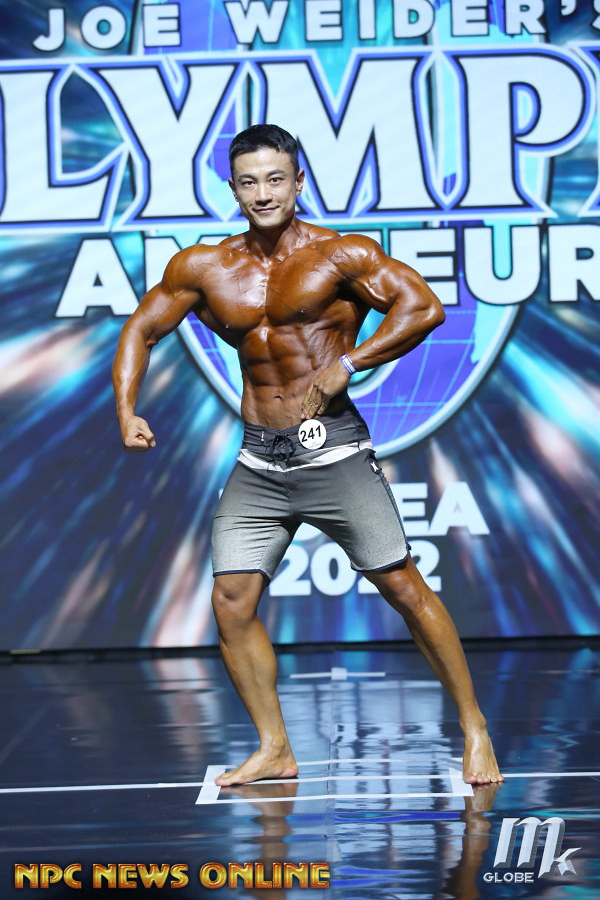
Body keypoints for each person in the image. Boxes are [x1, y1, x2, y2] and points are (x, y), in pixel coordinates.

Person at [112, 124, 504, 787]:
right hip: (260, 460)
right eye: (249, 182)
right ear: (233, 189)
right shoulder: (204, 267)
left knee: (403, 587)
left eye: (275, 179)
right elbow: (141, 329)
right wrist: (126, 410)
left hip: (335, 452)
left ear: (298, 182)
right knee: (231, 600)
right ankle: (274, 748)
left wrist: (349, 362)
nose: (263, 193)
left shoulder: (340, 254)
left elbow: (423, 308)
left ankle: (473, 727)